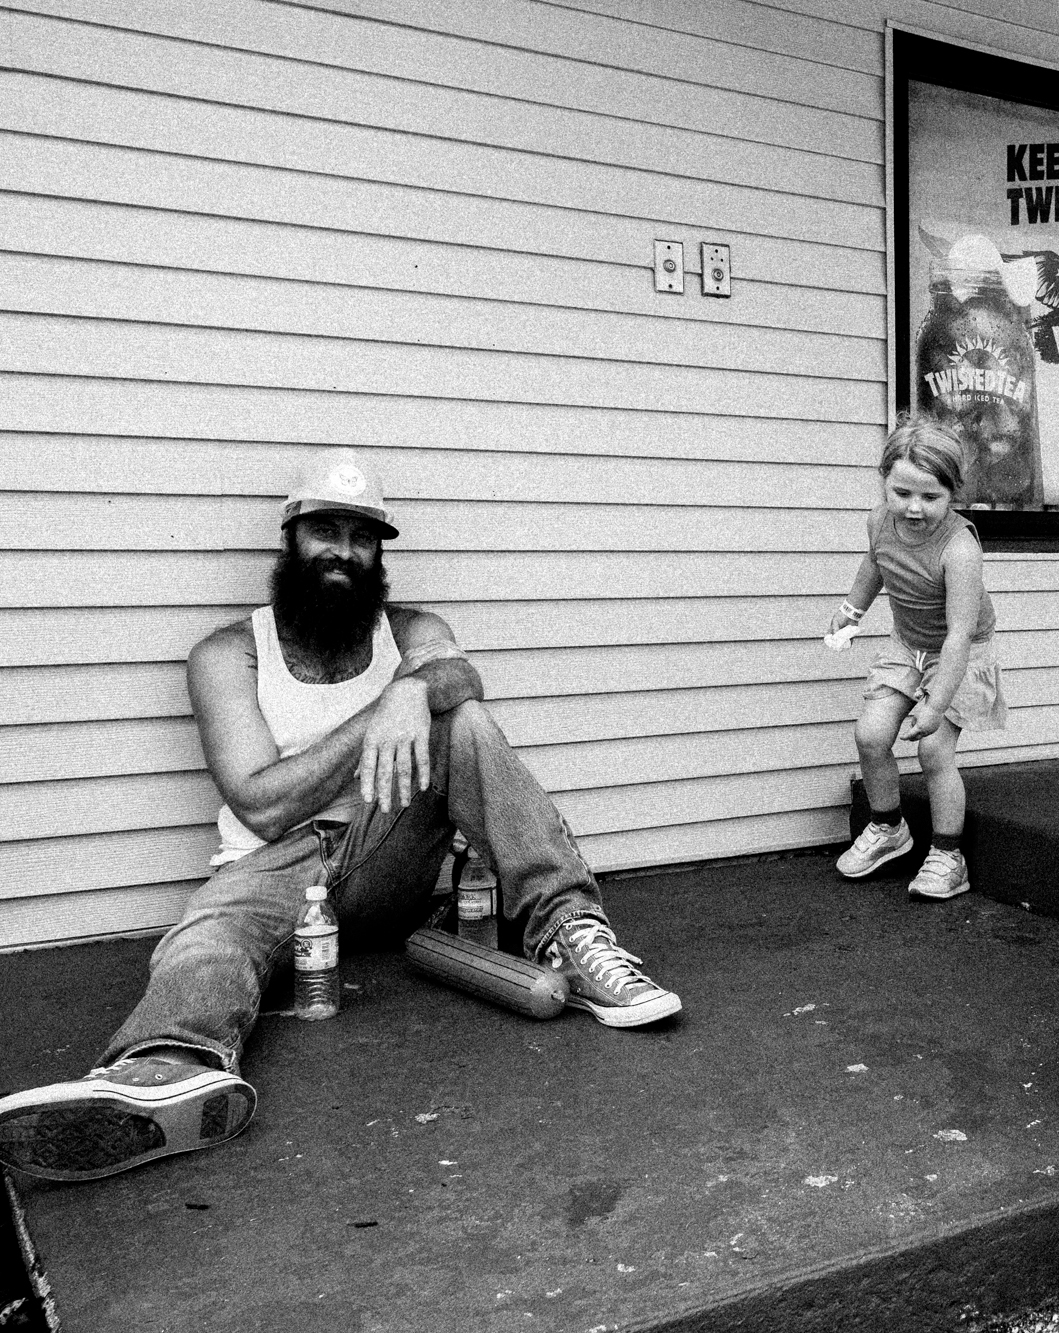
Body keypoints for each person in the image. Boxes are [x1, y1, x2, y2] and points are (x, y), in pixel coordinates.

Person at [0, 448, 680, 1184]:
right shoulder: (229, 653)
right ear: (290, 538)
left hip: (385, 854)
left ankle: (570, 933)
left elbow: (460, 675)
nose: (344, 552)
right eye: (326, 530)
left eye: (362, 537)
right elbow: (262, 804)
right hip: (273, 870)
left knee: (462, 720)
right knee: (208, 939)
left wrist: (414, 690)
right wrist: (383, 710)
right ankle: (166, 1071)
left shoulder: (409, 630)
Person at [829, 414, 1007, 901]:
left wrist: (935, 704)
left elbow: (959, 635)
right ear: (884, 482)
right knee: (870, 735)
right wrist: (852, 611)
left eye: (931, 497)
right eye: (902, 492)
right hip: (908, 645)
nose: (913, 507)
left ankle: (949, 856)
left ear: (953, 494)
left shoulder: (960, 549)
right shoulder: (878, 521)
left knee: (933, 751)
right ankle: (888, 828)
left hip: (960, 651)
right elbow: (875, 564)